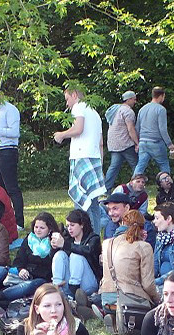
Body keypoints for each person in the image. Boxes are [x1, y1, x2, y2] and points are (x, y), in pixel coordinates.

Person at [53, 85, 106, 239]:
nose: (67, 104)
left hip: (82, 158)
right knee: (93, 202)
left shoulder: (79, 107)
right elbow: (101, 142)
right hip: (94, 159)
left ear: (75, 95)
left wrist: (61, 135)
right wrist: (100, 165)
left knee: (81, 201)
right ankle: (95, 238)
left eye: (67, 99)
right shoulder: (95, 113)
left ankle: (83, 238)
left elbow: (79, 129)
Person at [0, 212, 57, 312]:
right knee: (3, 274)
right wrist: (21, 269)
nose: (38, 230)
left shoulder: (54, 243)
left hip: (42, 278)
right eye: (36, 227)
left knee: (28, 286)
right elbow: (19, 259)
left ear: (50, 229)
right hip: (24, 273)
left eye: (42, 228)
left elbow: (52, 265)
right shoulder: (29, 239)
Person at [99, 207, 160, 318]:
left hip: (106, 298)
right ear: (142, 228)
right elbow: (148, 284)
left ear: (122, 223)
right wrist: (157, 299)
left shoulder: (107, 243)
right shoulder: (144, 247)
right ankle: (121, 317)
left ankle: (108, 314)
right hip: (130, 300)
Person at [0, 90, 24, 230]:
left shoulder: (10, 109)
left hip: (7, 151)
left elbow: (14, 133)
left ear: (1, 94)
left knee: (11, 187)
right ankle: (4, 219)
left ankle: (19, 222)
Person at [53, 208, 101, 302]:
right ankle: (57, 289)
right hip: (69, 283)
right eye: (67, 226)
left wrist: (65, 245)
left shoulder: (93, 238)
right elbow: (56, 260)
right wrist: (54, 247)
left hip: (88, 283)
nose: (69, 228)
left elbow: (88, 251)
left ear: (82, 225)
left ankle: (76, 296)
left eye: (72, 225)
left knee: (76, 255)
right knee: (60, 254)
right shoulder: (68, 239)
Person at [133, 87, 174, 177]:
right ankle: (167, 185)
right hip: (156, 142)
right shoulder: (161, 109)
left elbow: (137, 128)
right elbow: (162, 129)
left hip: (143, 142)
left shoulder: (142, 109)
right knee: (164, 164)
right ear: (161, 96)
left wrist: (137, 143)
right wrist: (169, 144)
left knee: (140, 166)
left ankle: (133, 186)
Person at [105, 90, 139, 192]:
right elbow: (130, 129)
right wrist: (137, 143)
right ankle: (136, 187)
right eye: (134, 99)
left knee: (113, 167)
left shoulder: (115, 110)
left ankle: (106, 189)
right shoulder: (128, 111)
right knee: (136, 166)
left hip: (114, 144)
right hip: (125, 143)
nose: (135, 101)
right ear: (128, 99)